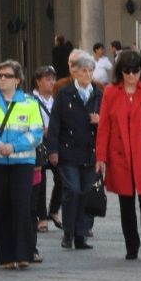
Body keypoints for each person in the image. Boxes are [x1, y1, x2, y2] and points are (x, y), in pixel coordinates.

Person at [96, 50, 141, 260]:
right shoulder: (111, 92)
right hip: (120, 156)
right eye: (126, 71)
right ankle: (131, 246)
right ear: (120, 72)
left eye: (135, 71)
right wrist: (101, 157)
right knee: (125, 204)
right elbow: (104, 127)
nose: (131, 75)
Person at [0, 60, 44, 269]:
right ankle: (5, 256)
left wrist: (13, 146)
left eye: (7, 76)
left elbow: (36, 132)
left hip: (22, 161)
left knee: (22, 205)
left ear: (17, 80)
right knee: (0, 207)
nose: (2, 79)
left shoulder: (29, 102)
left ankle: (24, 253)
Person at [46, 51, 101, 250]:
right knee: (72, 191)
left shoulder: (98, 94)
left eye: (90, 71)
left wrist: (100, 121)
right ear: (75, 73)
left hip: (91, 152)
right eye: (83, 71)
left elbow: (111, 123)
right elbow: (55, 124)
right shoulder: (65, 93)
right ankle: (68, 233)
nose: (87, 74)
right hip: (68, 151)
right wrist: (53, 150)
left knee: (86, 191)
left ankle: (81, 234)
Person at [32, 66, 62, 233]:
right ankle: (42, 217)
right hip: (39, 144)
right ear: (38, 81)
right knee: (40, 181)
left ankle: (54, 209)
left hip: (56, 143)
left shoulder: (58, 99)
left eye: (53, 79)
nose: (52, 82)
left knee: (63, 177)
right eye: (47, 79)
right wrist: (40, 130)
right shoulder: (31, 99)